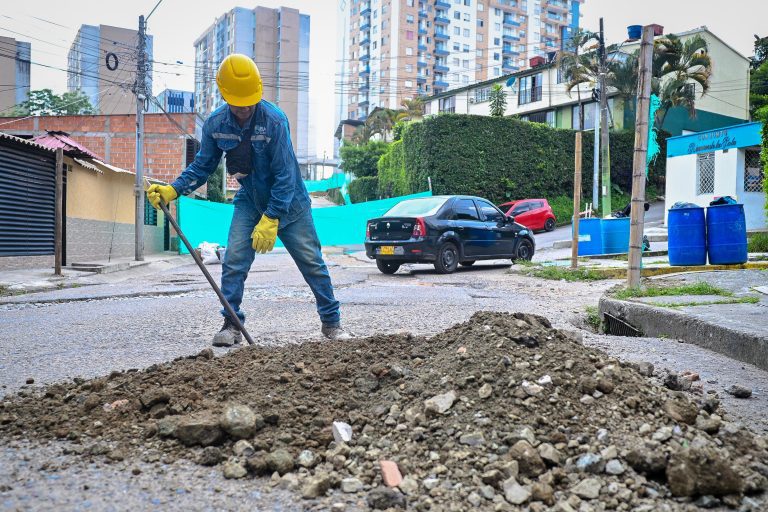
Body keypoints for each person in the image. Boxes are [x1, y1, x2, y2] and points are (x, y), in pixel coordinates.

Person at [147, 54, 351, 346]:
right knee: (234, 260)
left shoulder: (275, 121)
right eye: (237, 102)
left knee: (312, 262)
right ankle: (231, 324)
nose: (243, 109)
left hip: (290, 201)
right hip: (249, 200)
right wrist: (175, 189)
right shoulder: (217, 123)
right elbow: (203, 165)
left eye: (248, 102)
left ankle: (332, 324)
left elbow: (285, 174)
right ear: (225, 95)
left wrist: (273, 217)